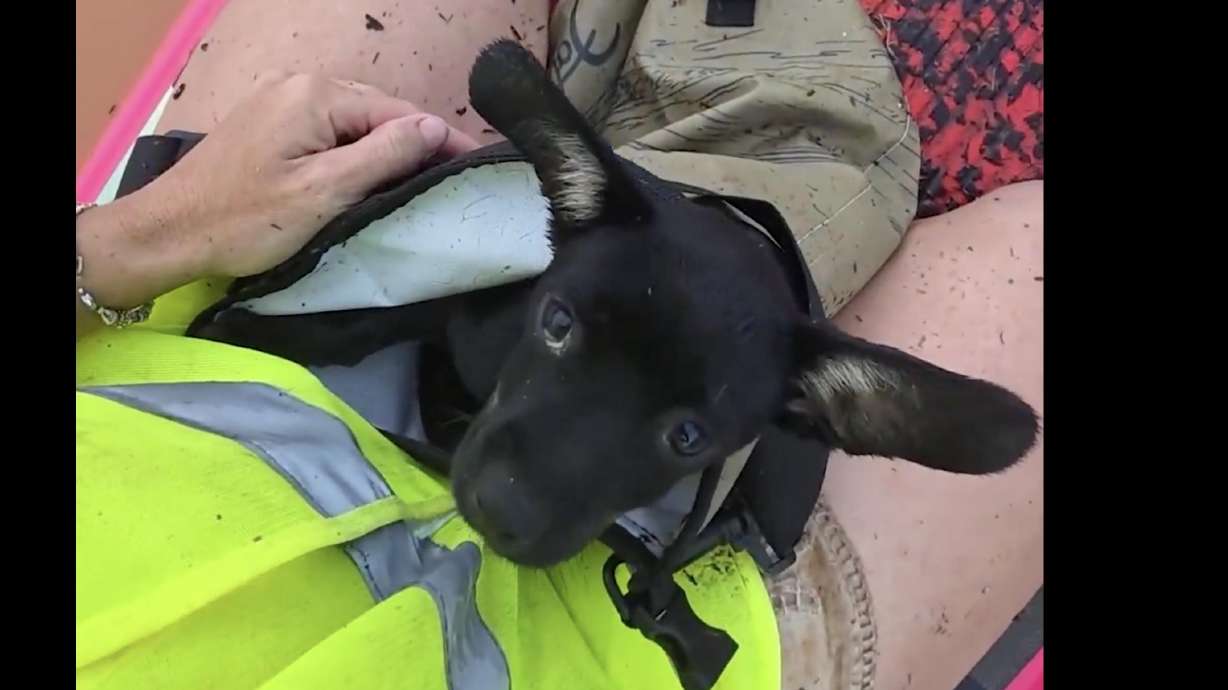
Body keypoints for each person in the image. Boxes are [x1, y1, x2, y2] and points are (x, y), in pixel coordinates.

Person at [75, 2, 1042, 689]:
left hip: (214, 327)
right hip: (631, 644)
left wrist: (137, 241)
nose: (516, 493)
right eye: (564, 326)